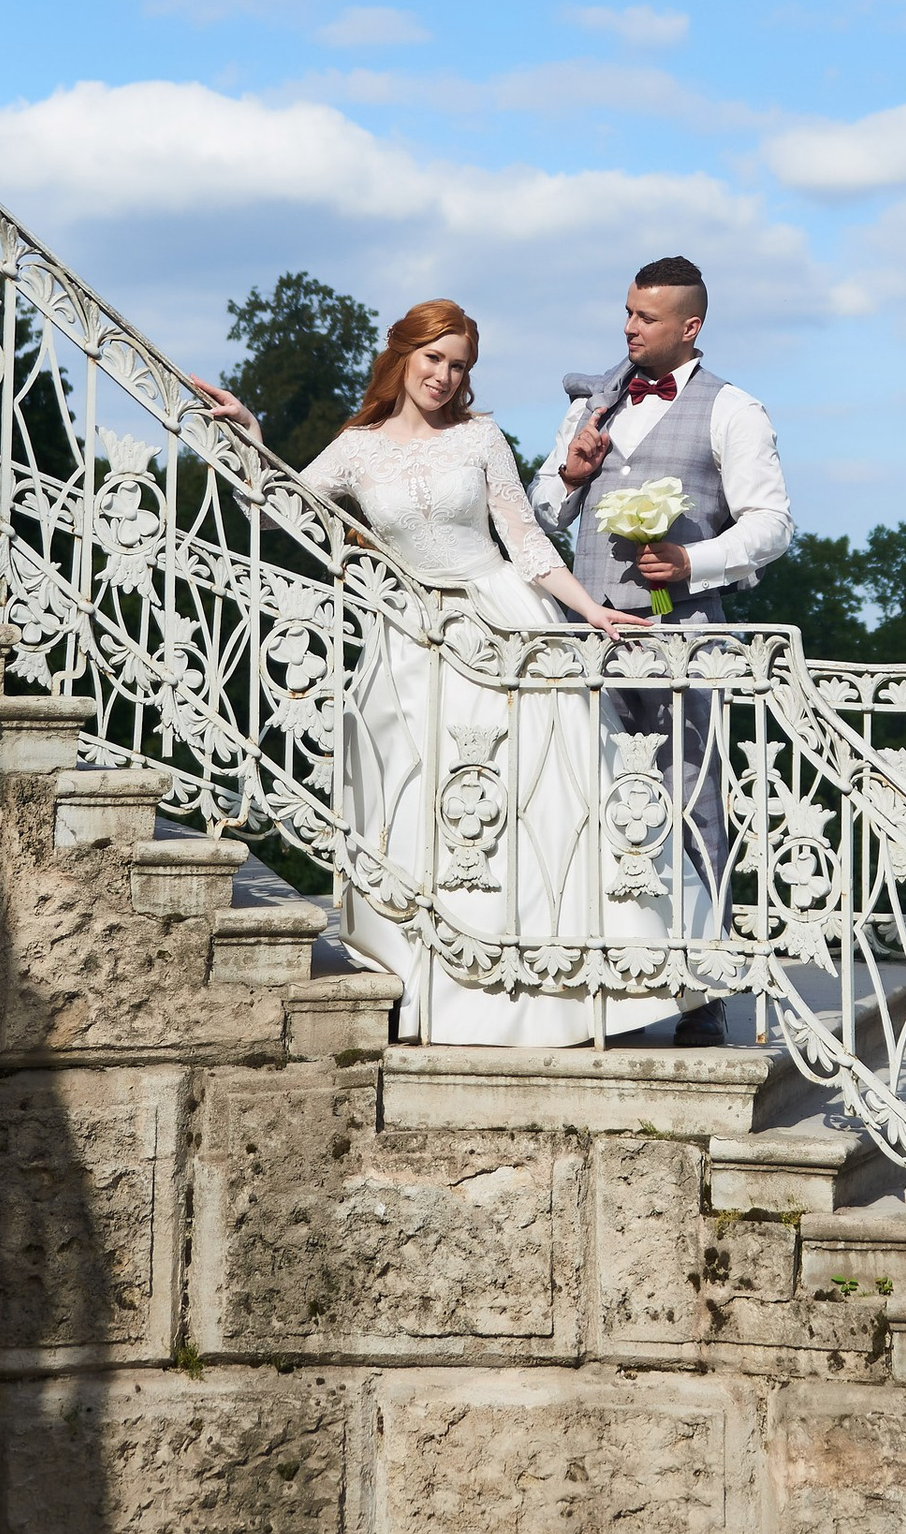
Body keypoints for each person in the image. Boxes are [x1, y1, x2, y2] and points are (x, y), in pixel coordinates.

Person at [192, 298, 663, 1046]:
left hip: (500, 621)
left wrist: (590, 611)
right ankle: (430, 986)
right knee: (410, 802)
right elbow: (275, 515)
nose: (445, 376)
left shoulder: (479, 437)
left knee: (531, 799)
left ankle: (557, 986)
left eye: (460, 365)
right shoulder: (356, 446)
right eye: (434, 357)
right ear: (403, 354)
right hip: (409, 636)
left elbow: (526, 543)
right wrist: (254, 440)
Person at [532, 256, 793, 1044]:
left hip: (684, 642)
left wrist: (693, 561)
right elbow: (539, 511)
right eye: (626, 312)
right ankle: (608, 988)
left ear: (690, 326)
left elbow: (773, 524)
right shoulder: (592, 401)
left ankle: (700, 990)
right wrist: (570, 478)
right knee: (586, 799)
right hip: (586, 638)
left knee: (693, 803)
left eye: (645, 317)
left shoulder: (733, 409)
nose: (628, 327)